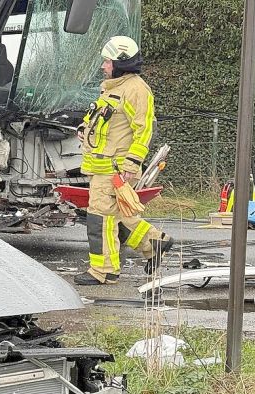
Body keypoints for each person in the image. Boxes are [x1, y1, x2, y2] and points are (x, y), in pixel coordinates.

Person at [74, 35, 173, 286]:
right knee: (118, 218)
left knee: (100, 219)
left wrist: (132, 163)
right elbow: (103, 119)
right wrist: (84, 128)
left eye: (107, 61)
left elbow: (144, 130)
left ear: (120, 63)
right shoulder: (113, 87)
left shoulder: (136, 89)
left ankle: (104, 271)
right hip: (103, 167)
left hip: (115, 168)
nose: (103, 66)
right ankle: (154, 243)